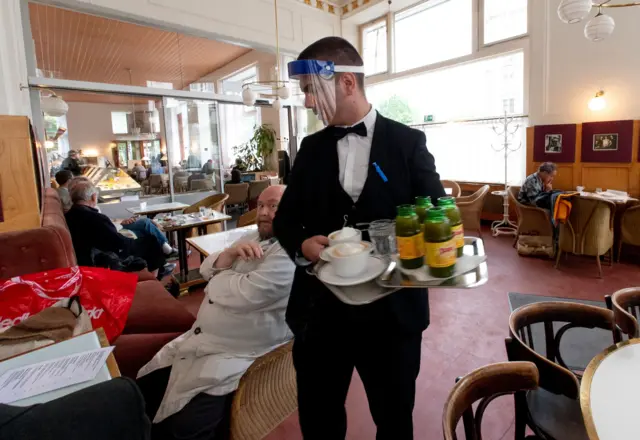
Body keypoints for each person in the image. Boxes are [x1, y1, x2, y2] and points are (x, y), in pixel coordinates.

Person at [273, 37, 446, 440]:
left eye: (311, 91)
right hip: (320, 316)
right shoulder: (310, 149)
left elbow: (438, 211)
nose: (307, 104)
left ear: (347, 83)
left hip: (392, 317)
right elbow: (285, 220)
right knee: (318, 420)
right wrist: (302, 244)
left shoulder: (408, 143)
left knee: (394, 419)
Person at [136, 185, 294, 440]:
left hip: (236, 353)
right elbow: (209, 267)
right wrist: (230, 255)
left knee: (182, 430)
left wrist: (221, 275)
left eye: (274, 206)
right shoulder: (254, 237)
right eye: (261, 205)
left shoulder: (290, 253)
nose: (263, 212)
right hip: (201, 340)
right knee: (143, 390)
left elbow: (245, 294)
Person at [65, 180, 175, 278]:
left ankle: (161, 266)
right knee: (150, 240)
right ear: (93, 197)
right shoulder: (95, 217)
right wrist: (129, 239)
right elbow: (118, 243)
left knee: (143, 232)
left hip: (90, 256)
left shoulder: (69, 215)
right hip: (105, 258)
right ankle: (154, 278)